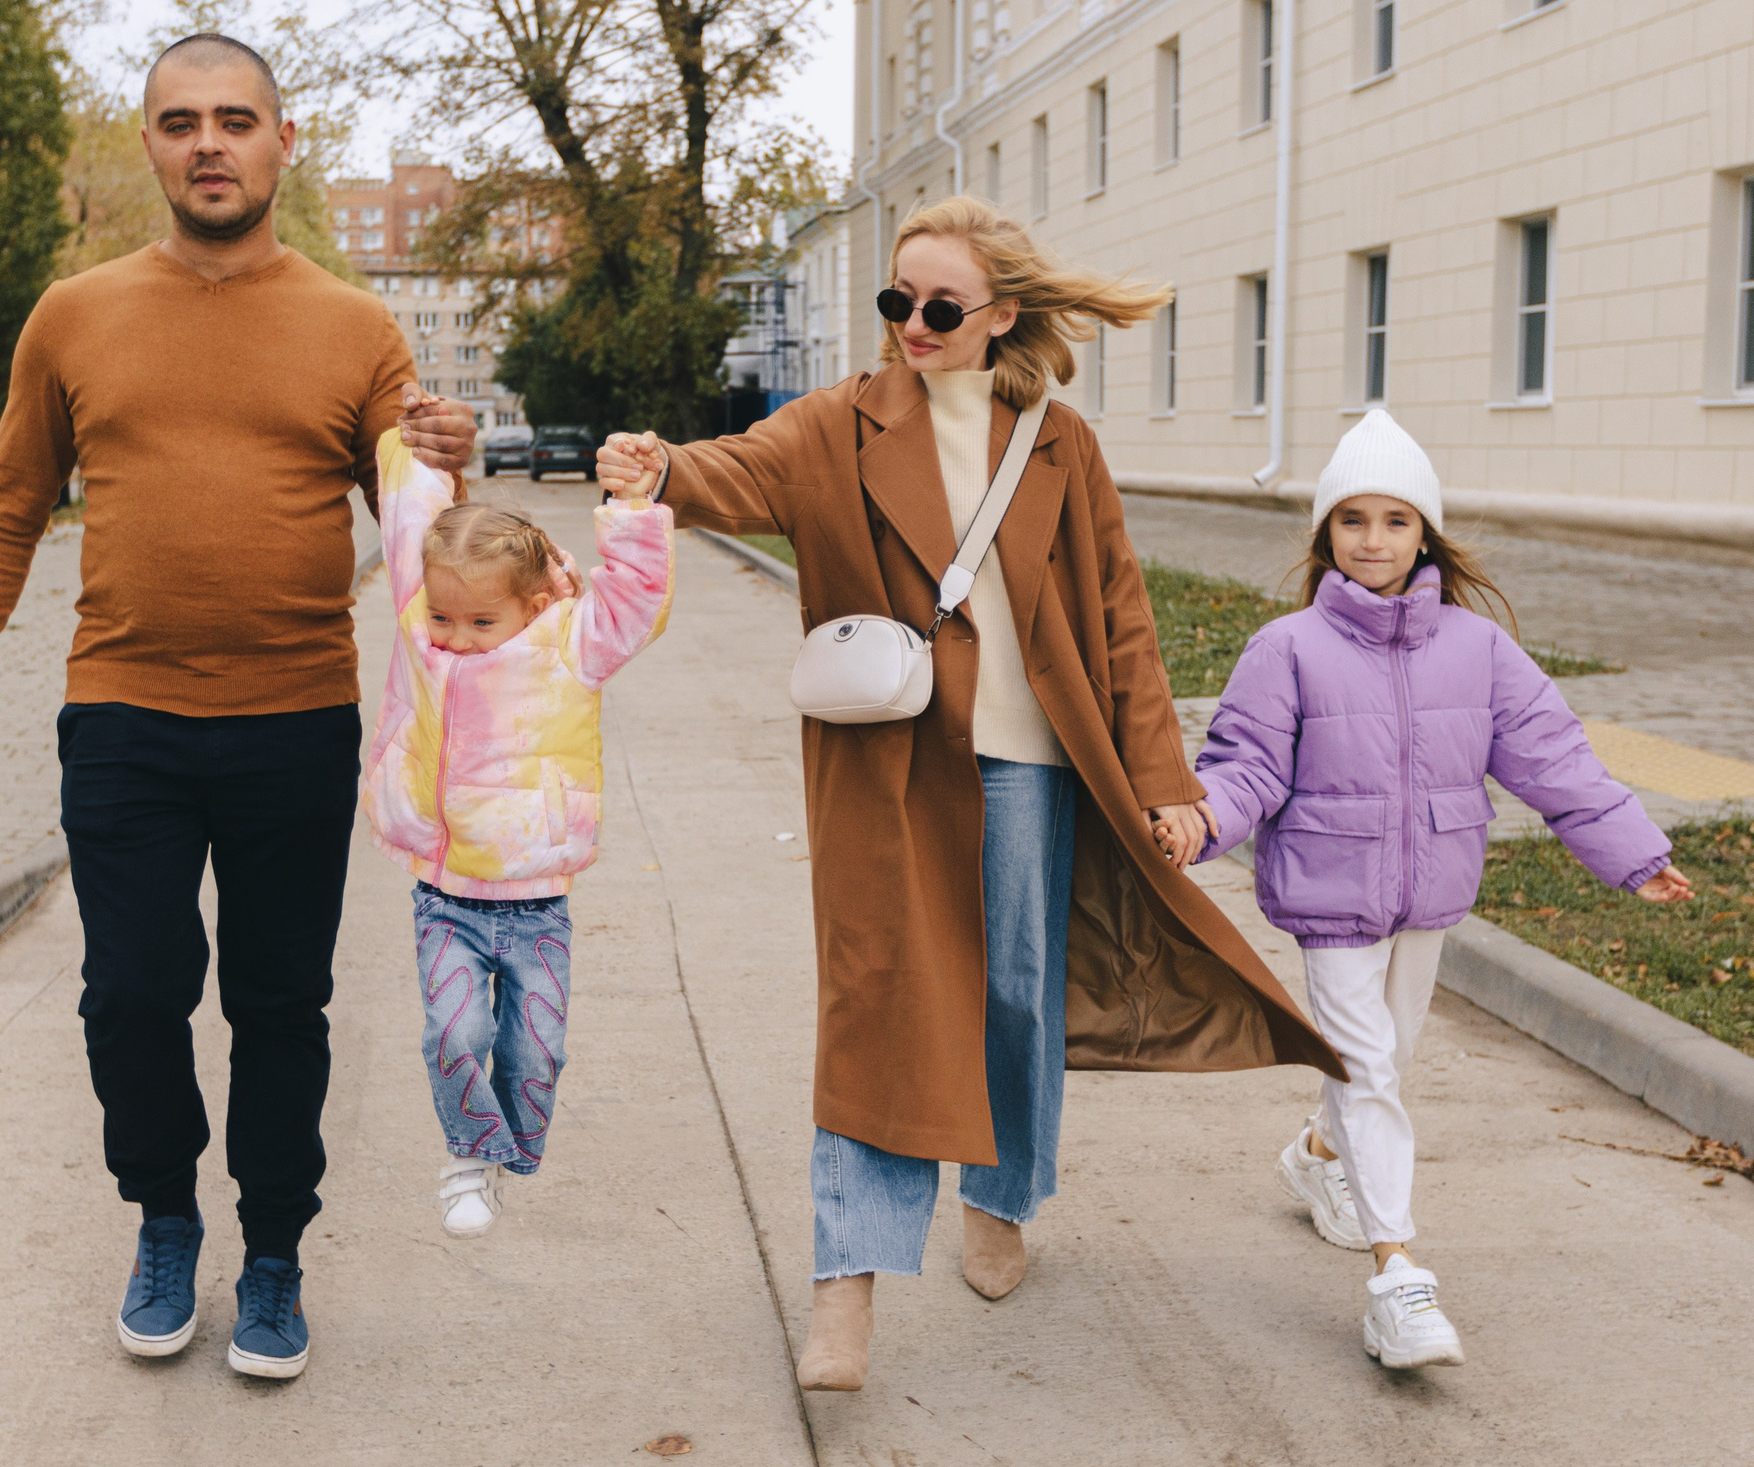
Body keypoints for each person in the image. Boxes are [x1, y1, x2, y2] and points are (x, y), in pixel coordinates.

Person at [598, 196, 1341, 1393]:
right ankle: (848, 1277)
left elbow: (1120, 618)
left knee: (1015, 994)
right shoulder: (840, 421)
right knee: (877, 998)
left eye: (940, 307)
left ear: (999, 314)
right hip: (888, 762)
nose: (913, 325)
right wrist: (657, 468)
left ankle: (999, 1195)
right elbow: (723, 474)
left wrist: (1167, 779)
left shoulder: (1059, 439)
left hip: (1036, 764)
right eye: (897, 301)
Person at [0, 34, 476, 1382]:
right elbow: (6, 501)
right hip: (124, 717)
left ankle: (273, 1249)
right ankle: (165, 1218)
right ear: (150, 144)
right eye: (180, 122)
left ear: (285, 140)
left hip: (295, 720)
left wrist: (452, 458)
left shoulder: (354, 325)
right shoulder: (75, 312)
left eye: (235, 119)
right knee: (132, 993)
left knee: (283, 1002)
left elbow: (422, 523)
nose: (208, 142)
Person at [1178, 407, 1694, 1370]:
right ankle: (1398, 1277)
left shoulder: (1479, 649)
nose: (1373, 542)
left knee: (1385, 1059)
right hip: (1331, 897)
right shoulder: (1286, 649)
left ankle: (1317, 1160)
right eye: (1352, 521)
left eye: (1395, 521)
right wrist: (1203, 819)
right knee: (1367, 1068)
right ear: (1326, 534)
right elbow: (1246, 764)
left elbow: (1554, 758)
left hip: (1431, 892)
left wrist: (1631, 851)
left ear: (1427, 534)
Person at [359, 397, 673, 1237]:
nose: (454, 638)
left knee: (536, 1050)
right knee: (455, 1028)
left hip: (536, 898)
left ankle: (511, 1150)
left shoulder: (572, 639)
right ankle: (467, 1153)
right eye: (443, 617)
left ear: (534, 604)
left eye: (480, 622)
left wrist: (633, 510)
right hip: (445, 892)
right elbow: (411, 523)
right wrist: (416, 448)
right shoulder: (421, 625)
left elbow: (637, 600)